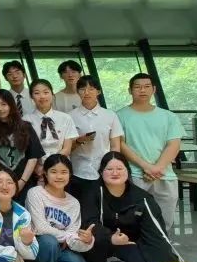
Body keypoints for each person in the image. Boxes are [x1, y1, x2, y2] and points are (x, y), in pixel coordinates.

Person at [83, 152, 184, 262]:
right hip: (101, 242)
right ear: (101, 172)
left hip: (129, 244)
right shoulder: (92, 193)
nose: (115, 173)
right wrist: (110, 237)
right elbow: (89, 223)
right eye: (109, 169)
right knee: (95, 240)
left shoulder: (142, 198)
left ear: (128, 171)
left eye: (120, 169)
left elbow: (157, 236)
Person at [25, 154, 95, 262]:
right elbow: (41, 228)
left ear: (70, 175)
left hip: (62, 249)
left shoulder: (73, 203)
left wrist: (87, 241)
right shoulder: (35, 193)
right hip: (40, 246)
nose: (59, 176)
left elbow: (73, 240)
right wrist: (68, 237)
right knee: (49, 241)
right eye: (54, 171)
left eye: (64, 172)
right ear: (45, 173)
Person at [116, 73, 183, 231]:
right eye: (137, 87)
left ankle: (162, 243)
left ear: (154, 89)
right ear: (130, 90)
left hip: (164, 174)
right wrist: (146, 167)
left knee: (165, 218)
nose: (142, 90)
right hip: (135, 174)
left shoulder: (169, 116)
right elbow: (121, 144)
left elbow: (173, 144)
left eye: (146, 86)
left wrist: (156, 168)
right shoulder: (119, 116)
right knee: (134, 218)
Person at [69, 76, 123, 219]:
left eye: (91, 89)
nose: (87, 92)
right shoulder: (70, 116)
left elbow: (115, 145)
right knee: (80, 209)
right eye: (82, 89)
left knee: (105, 208)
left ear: (98, 91)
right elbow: (66, 148)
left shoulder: (110, 115)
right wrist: (79, 141)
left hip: (103, 168)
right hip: (78, 170)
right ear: (77, 92)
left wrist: (113, 167)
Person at [0, 89, 42, 201]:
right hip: (0, 184)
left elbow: (33, 157)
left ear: (11, 105)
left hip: (24, 182)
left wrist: (21, 182)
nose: (0, 108)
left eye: (3, 104)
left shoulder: (26, 127)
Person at [24, 79, 78, 167]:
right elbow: (26, 150)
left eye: (46, 92)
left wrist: (50, 167)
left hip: (61, 166)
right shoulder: (26, 120)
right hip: (36, 168)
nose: (42, 96)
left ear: (52, 94)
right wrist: (37, 168)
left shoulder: (65, 118)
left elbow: (67, 149)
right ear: (31, 96)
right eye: (37, 93)